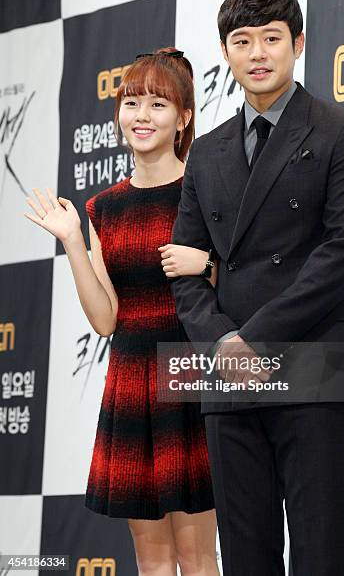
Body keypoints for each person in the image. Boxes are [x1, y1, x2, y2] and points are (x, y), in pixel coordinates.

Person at [168, 0, 344, 576]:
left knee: (319, 550)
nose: (258, 53)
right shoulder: (205, 153)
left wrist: (250, 342)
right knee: (244, 553)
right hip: (227, 372)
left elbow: (340, 255)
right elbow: (185, 263)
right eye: (243, 41)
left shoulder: (342, 131)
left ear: (299, 44)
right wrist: (217, 342)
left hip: (313, 362)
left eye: (271, 39)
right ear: (226, 52)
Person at [23, 48, 220, 576]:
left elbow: (242, 284)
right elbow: (106, 320)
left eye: (158, 103)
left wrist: (208, 265)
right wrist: (72, 243)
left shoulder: (205, 192)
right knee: (151, 558)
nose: (141, 115)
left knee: (198, 554)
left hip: (192, 374)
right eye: (131, 102)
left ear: (183, 118)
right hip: (132, 378)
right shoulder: (103, 208)